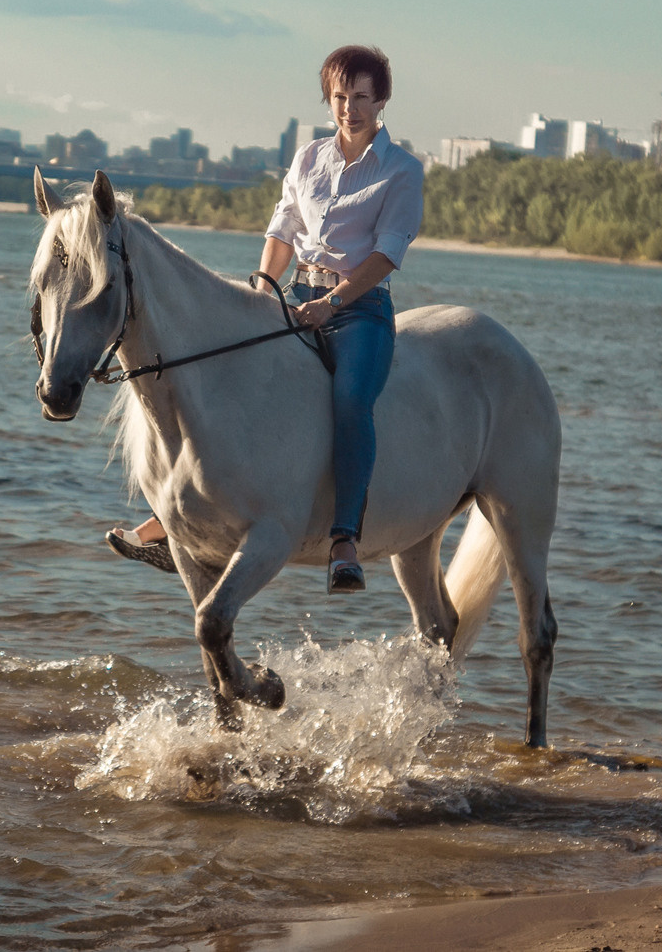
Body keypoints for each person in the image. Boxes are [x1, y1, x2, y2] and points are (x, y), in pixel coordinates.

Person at [106, 44, 425, 593]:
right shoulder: (308, 159)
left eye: (361, 98)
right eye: (340, 97)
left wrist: (334, 302)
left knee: (351, 403)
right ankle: (179, 512)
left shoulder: (401, 170)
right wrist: (261, 291)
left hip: (360, 310)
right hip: (296, 293)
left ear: (382, 101)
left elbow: (386, 254)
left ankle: (344, 537)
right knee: (224, 374)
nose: (349, 108)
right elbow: (282, 231)